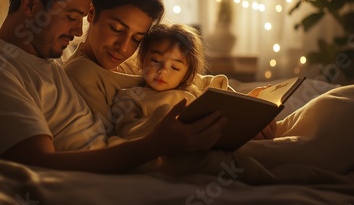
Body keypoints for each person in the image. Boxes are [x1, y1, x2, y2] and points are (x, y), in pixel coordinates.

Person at [0, 0, 227, 174]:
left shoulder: (46, 57)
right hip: (116, 174)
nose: (78, 29)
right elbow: (37, 165)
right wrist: (153, 146)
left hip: (132, 160)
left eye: (82, 17)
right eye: (71, 17)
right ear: (31, 4)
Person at [113, 23, 269, 140]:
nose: (163, 71)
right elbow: (125, 130)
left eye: (174, 67)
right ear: (142, 59)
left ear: (186, 75)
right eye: (155, 61)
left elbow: (219, 87)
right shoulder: (132, 96)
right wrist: (158, 122)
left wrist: (249, 102)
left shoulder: (192, 88)